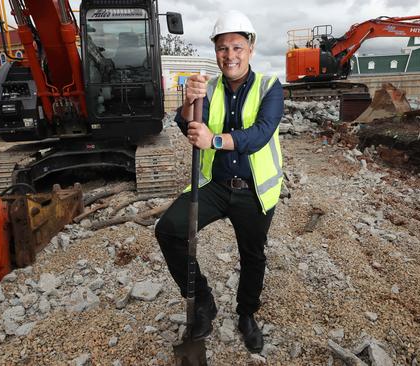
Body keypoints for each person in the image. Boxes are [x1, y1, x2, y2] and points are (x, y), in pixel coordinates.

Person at [155, 10, 284, 354]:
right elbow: (188, 129)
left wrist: (214, 140)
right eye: (223, 48)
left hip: (254, 189)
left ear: (251, 48)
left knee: (252, 255)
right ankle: (204, 301)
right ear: (216, 52)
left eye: (237, 47)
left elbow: (259, 135)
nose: (230, 55)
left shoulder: (270, 87)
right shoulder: (208, 88)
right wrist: (187, 103)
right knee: (169, 230)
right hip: (214, 184)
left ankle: (246, 315)